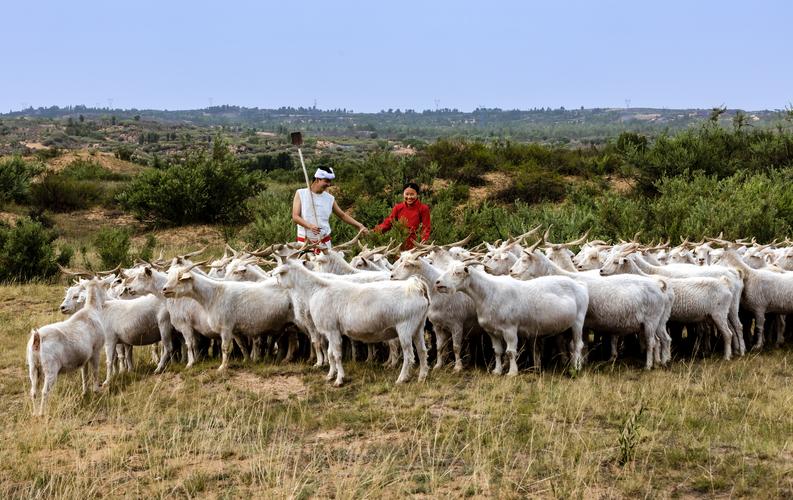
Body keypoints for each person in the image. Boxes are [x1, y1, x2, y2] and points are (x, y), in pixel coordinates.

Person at [292, 165, 368, 250]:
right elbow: (295, 216)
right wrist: (309, 226)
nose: (329, 184)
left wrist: (359, 225)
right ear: (317, 179)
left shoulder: (329, 198)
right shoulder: (301, 193)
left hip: (324, 244)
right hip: (305, 244)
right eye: (326, 181)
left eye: (330, 181)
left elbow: (342, 215)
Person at [375, 182, 431, 250]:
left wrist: (423, 243)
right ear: (403, 194)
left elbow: (426, 228)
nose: (409, 197)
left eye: (412, 194)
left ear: (417, 194)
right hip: (400, 244)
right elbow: (389, 223)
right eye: (406, 194)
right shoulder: (398, 208)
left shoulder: (423, 208)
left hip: (416, 246)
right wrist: (374, 232)